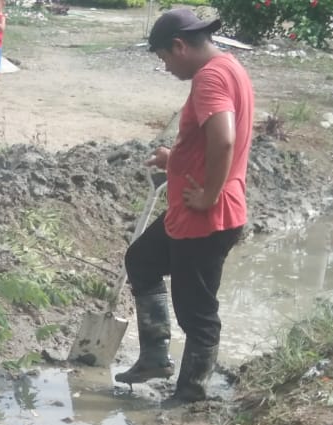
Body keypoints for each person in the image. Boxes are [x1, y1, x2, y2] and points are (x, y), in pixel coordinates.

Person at [115, 8, 254, 403]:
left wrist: (209, 193)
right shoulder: (229, 67)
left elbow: (224, 140)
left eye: (164, 58)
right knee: (141, 260)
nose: (166, 67)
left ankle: (191, 393)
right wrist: (174, 158)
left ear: (179, 46)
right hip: (196, 210)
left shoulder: (209, 78)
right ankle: (155, 357)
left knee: (197, 312)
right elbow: (210, 142)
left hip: (207, 215)